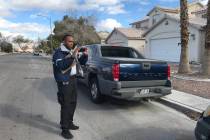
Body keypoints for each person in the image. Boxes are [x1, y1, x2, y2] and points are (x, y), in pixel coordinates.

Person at [52, 34, 80, 139]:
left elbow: (78, 63)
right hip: (64, 81)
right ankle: (64, 129)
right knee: (66, 104)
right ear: (64, 42)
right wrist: (72, 56)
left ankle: (69, 122)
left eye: (72, 41)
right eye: (69, 41)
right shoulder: (58, 53)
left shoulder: (70, 52)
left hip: (73, 79)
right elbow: (61, 65)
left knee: (73, 102)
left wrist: (84, 56)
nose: (71, 43)